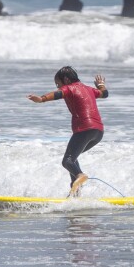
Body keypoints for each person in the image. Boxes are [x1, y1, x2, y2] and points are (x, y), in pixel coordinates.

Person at [27, 66, 108, 196]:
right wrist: (101, 85)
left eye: (58, 83)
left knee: (67, 161)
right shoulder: (89, 89)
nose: (58, 86)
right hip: (98, 131)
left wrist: (42, 99)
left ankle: (80, 175)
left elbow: (58, 94)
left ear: (65, 79)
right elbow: (105, 94)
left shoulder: (69, 88)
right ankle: (75, 193)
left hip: (84, 129)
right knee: (73, 158)